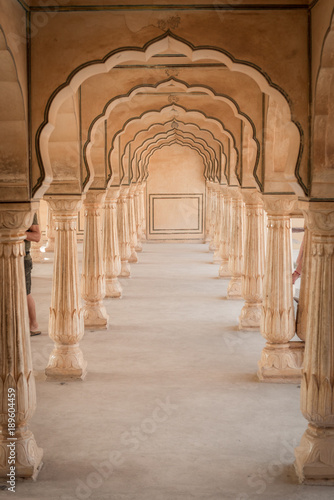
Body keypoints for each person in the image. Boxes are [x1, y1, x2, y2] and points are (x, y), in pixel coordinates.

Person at [25, 213, 41, 336]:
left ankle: (33, 325)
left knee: (25, 292)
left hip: (22, 256)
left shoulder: (29, 209)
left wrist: (16, 234)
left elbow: (37, 236)